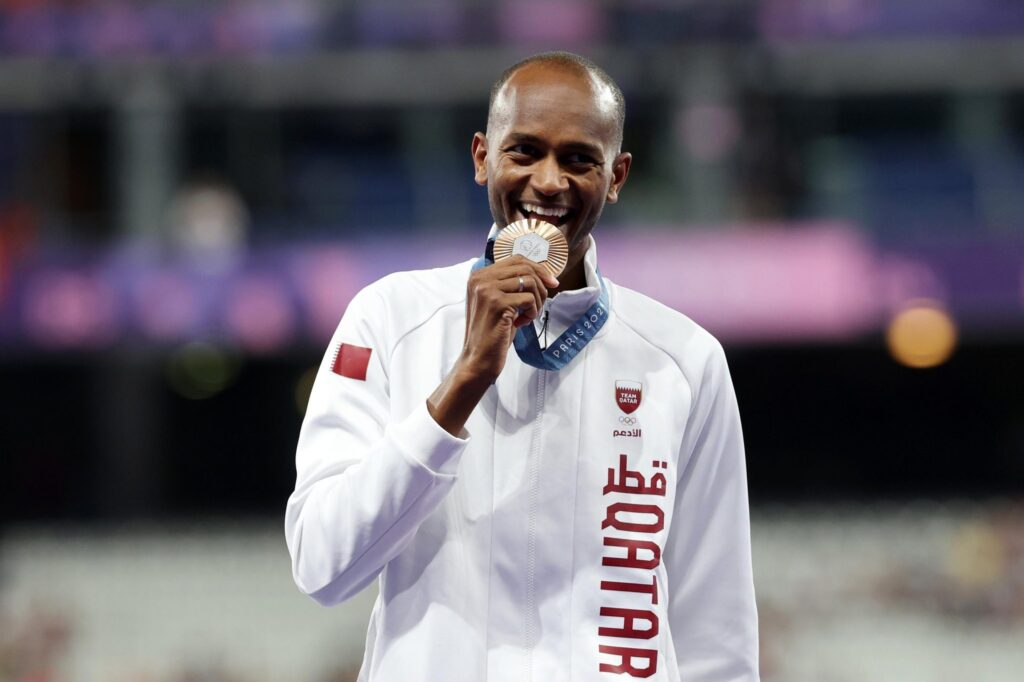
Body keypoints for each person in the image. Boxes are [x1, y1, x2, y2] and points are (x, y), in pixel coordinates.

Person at [285, 51, 759, 681]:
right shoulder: (390, 320)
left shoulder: (682, 361)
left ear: (617, 176)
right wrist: (464, 381)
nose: (550, 181)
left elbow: (715, 627)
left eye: (579, 159)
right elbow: (322, 565)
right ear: (483, 158)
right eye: (525, 151)